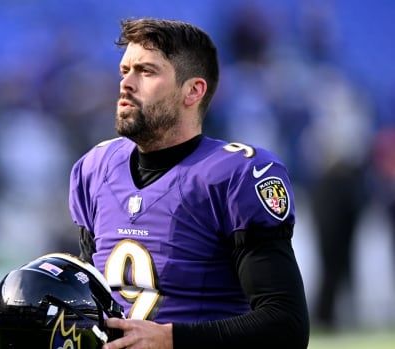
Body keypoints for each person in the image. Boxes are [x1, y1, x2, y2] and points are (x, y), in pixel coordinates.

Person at [69, 18, 309, 348]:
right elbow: (88, 300)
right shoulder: (95, 169)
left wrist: (172, 339)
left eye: (146, 71)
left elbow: (286, 325)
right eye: (125, 70)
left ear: (193, 91)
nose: (126, 83)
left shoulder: (236, 174)